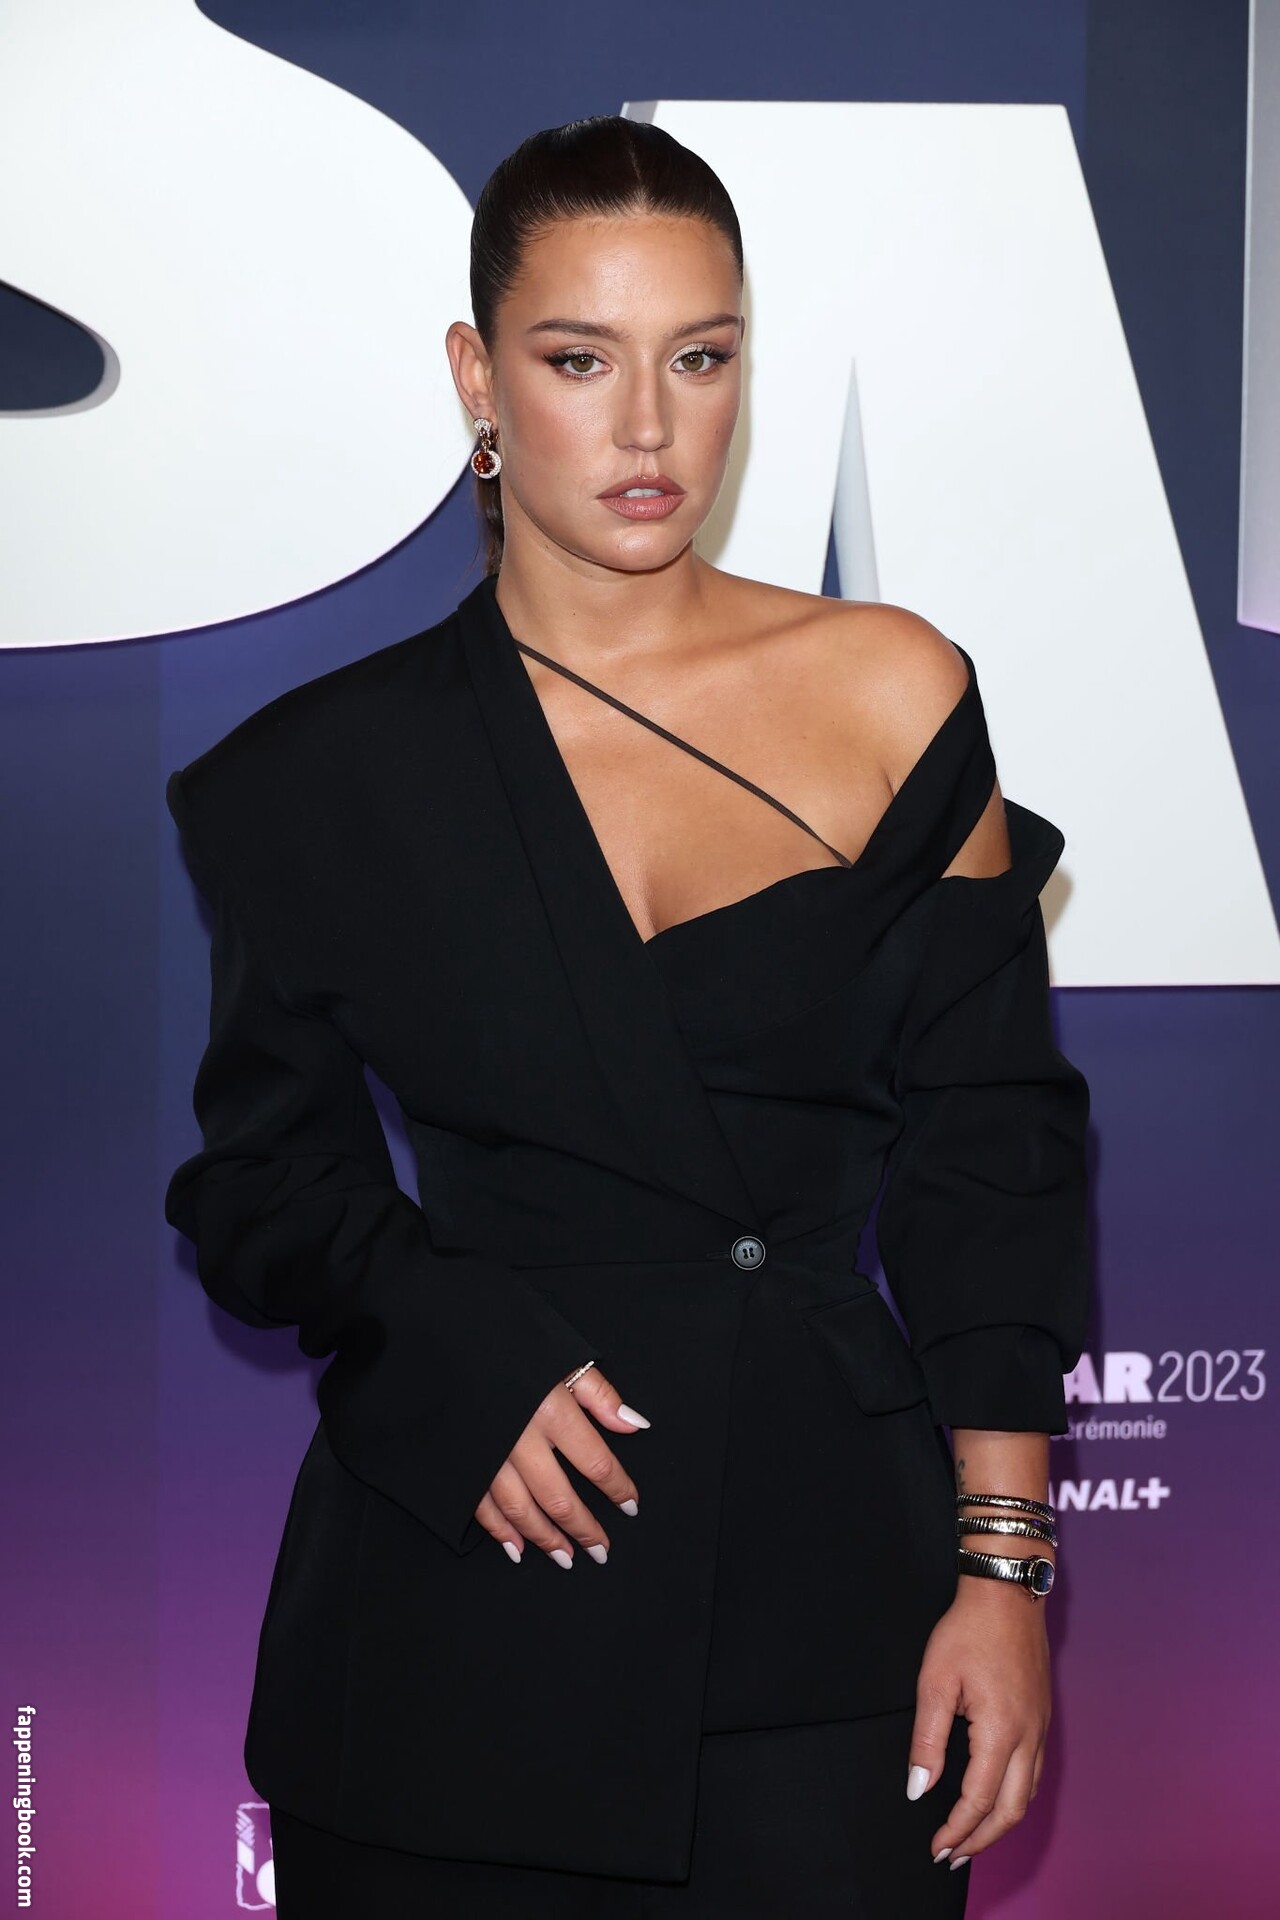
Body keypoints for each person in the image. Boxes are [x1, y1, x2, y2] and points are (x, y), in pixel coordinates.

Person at [164, 115, 1091, 1918]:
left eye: (702, 358)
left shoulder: (894, 692)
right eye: (581, 360)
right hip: (461, 1597)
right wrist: (441, 1334)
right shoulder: (319, 779)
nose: (651, 427)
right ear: (479, 377)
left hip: (830, 1611)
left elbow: (997, 1161)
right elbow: (259, 1186)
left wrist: (1004, 1572)